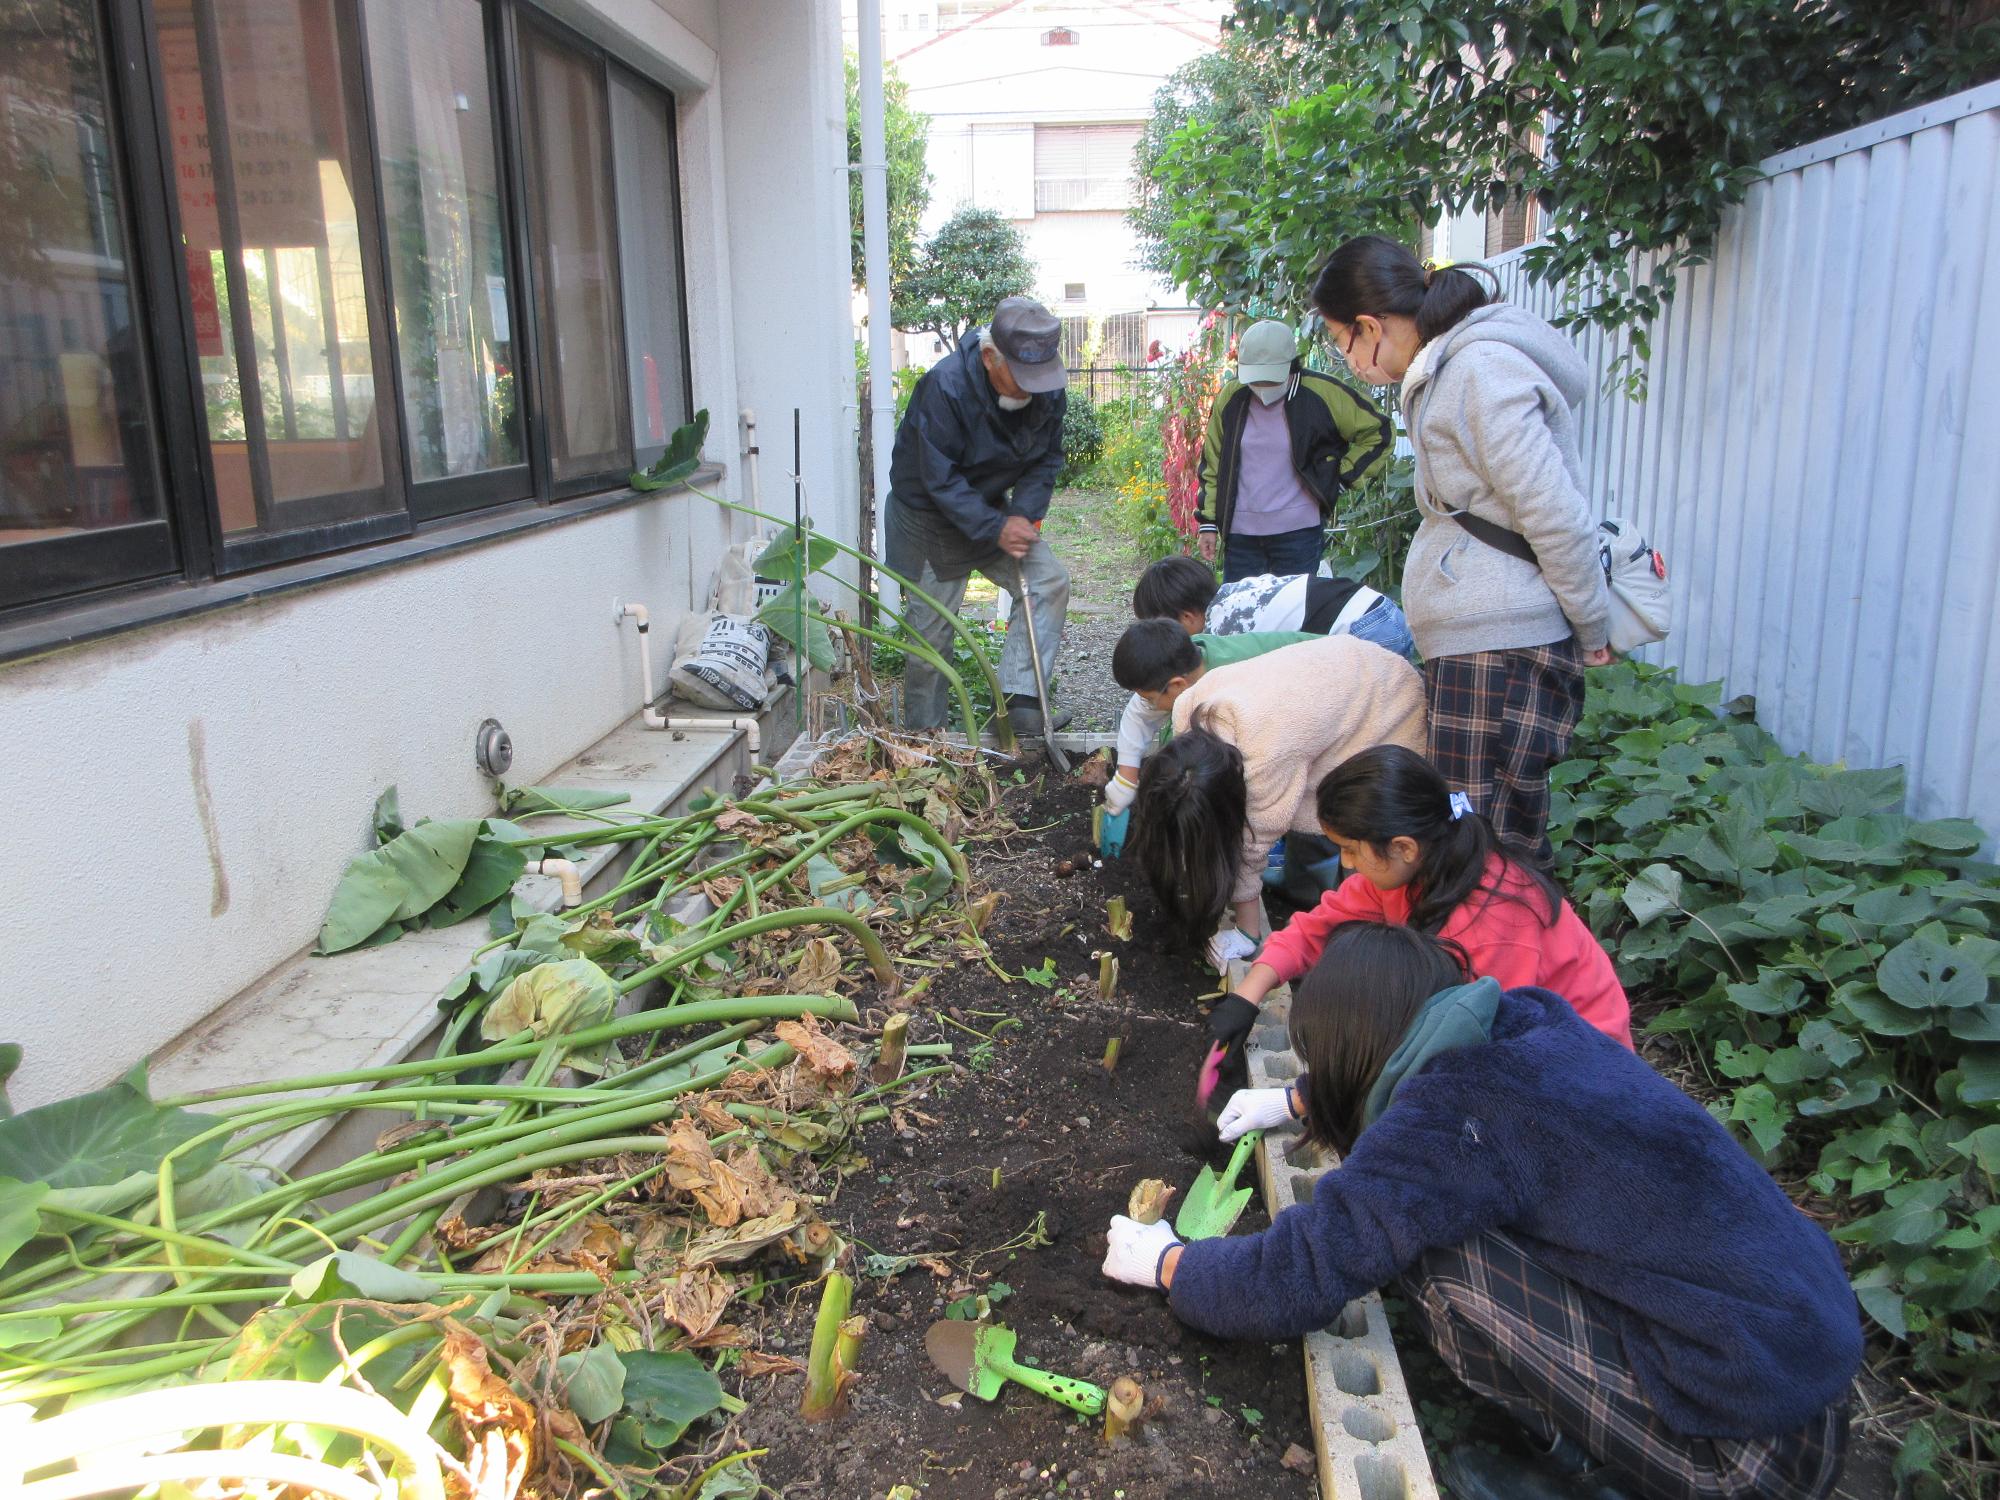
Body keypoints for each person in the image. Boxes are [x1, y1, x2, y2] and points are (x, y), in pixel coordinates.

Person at [1102, 923, 1861, 1500]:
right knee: (1447, 1221)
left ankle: (1585, 1476)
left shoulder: (1449, 1121)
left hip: (1742, 1443)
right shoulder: (1527, 1023)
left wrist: (1171, 1262)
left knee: (1437, 1260)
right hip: (1802, 1365)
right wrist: (1298, 1100)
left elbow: (1299, 1272)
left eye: (1317, 1063)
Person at [1311, 237, 1614, 867]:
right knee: (1467, 835)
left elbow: (1552, 510)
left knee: (1492, 845)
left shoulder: (1477, 371)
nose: (1348, 360)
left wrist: (1591, 623)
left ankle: (1508, 964)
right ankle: (1476, 958)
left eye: (1342, 342)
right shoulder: (1444, 372)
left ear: (1370, 325)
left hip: (1501, 647)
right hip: (1476, 646)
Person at [1210, 744, 1632, 1075]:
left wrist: (1307, 1097)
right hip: (1510, 1040)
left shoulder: (1493, 920)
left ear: (1403, 847)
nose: (1347, 864)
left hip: (1576, 1064)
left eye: (1350, 849)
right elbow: (1314, 929)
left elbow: (1485, 1042)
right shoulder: (1408, 871)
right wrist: (1247, 998)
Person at [1114, 620, 1425, 968]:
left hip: (1384, 698)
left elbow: (1252, 840)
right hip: (1331, 683)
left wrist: (1248, 933)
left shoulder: (1266, 754)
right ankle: (1306, 890)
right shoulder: (1191, 710)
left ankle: (1371, 945)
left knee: (1361, 836)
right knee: (1310, 831)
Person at [885, 296, 1072, 736]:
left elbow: (1046, 459)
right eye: (1023, 377)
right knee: (932, 638)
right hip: (929, 518)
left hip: (990, 510)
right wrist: (997, 527)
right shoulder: (945, 387)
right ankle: (926, 740)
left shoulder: (1044, 386)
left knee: (1048, 581)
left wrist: (1023, 514)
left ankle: (1020, 701)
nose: (1034, 388)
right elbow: (941, 480)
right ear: (991, 358)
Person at [1195, 318, 1393, 583]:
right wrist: (1207, 523)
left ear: (1291, 365)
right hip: (1241, 537)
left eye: (1271, 379)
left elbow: (1379, 432)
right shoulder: (1232, 396)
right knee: (1242, 619)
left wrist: (1340, 479)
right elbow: (1213, 461)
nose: (1262, 387)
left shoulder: (1323, 393)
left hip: (1299, 535)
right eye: (1256, 379)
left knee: (1293, 617)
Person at [1131, 553, 1414, 658]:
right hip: (1382, 611)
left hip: (1363, 632)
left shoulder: (1221, 629)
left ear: (1188, 617)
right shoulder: (1235, 594)